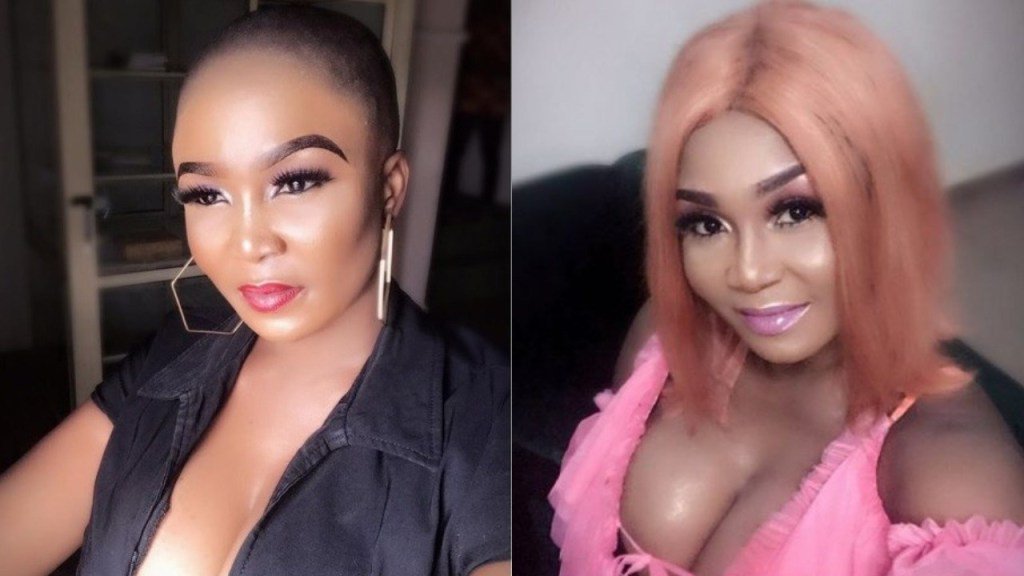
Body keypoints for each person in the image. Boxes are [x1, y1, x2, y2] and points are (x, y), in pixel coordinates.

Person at [0, 7, 510, 576]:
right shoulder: (171, 357)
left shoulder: (488, 425)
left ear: (388, 189)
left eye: (295, 182)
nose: (248, 243)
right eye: (206, 194)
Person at [548, 1, 1024, 575]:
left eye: (795, 211)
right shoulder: (665, 335)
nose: (748, 273)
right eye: (706, 224)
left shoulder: (951, 477)